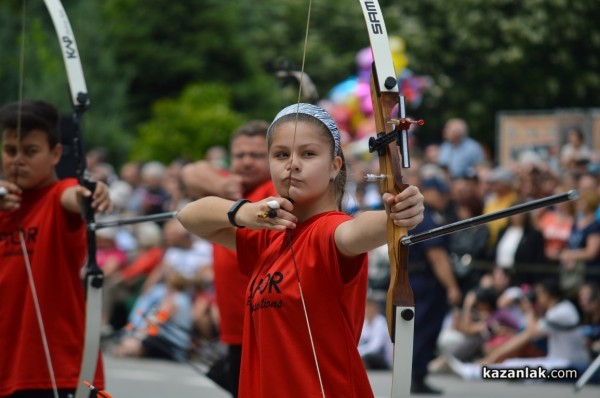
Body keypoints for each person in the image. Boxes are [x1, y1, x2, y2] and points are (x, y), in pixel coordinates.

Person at [177, 103, 425, 398]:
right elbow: (189, 216)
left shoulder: (329, 231)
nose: (292, 164)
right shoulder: (270, 237)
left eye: (308, 154)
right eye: (281, 154)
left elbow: (358, 231)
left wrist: (396, 214)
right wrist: (242, 213)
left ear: (335, 166)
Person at [0, 100, 112, 397]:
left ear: (56, 153)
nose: (17, 160)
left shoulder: (58, 196)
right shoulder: (3, 204)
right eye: (10, 151)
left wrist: (91, 194)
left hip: (60, 372)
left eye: (31, 151)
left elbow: (76, 197)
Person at [180, 120, 277, 397]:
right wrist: (223, 185)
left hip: (265, 325)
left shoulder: (272, 189)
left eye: (256, 155)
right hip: (235, 327)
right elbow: (190, 171)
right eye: (239, 155)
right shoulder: (230, 188)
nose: (246, 162)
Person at [409, 176, 462, 394]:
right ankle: (417, 376)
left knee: (418, 329)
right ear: (429, 192)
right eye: (441, 193)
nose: (445, 198)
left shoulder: (420, 215)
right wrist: (452, 286)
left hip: (416, 279)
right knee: (425, 329)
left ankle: (416, 375)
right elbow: (437, 256)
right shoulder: (426, 218)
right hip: (427, 282)